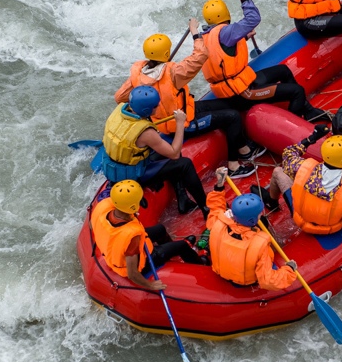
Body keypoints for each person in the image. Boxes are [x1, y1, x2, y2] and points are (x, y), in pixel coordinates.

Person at [112, 18, 260, 178]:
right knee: (233, 117)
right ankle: (234, 166)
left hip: (171, 117)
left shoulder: (138, 73)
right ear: (167, 53)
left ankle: (243, 148)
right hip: (183, 123)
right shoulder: (175, 73)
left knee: (225, 105)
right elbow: (201, 55)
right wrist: (195, 31)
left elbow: (120, 97)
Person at [198, 0, 330, 123]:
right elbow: (253, 18)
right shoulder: (226, 32)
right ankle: (294, 126)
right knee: (297, 91)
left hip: (235, 87)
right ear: (226, 14)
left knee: (283, 70)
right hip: (243, 93)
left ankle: (309, 111)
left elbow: (221, 55)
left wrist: (244, 37)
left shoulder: (205, 37)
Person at [95, 85, 209, 215]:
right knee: (184, 164)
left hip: (117, 170)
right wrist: (179, 123)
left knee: (167, 153)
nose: (158, 106)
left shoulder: (119, 111)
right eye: (155, 106)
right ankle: (206, 208)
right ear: (146, 110)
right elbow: (174, 154)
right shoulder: (146, 133)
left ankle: (183, 200)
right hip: (134, 175)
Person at [90, 180, 208, 291]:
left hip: (116, 245)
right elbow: (132, 273)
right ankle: (201, 263)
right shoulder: (132, 236)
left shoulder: (103, 207)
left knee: (160, 229)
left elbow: (92, 225)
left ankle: (172, 254)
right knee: (182, 246)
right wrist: (151, 285)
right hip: (138, 262)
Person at [262, 128, 342, 236]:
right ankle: (272, 203)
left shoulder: (303, 167)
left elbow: (288, 154)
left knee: (278, 171)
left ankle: (272, 203)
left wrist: (312, 138)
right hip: (326, 227)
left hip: (301, 216)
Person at [204, 167, 299, 290]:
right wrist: (289, 269)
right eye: (260, 212)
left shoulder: (218, 222)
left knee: (262, 221)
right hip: (244, 281)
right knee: (263, 222)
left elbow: (215, 207)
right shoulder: (259, 245)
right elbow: (268, 281)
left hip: (222, 269)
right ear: (251, 221)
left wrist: (219, 185)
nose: (261, 213)